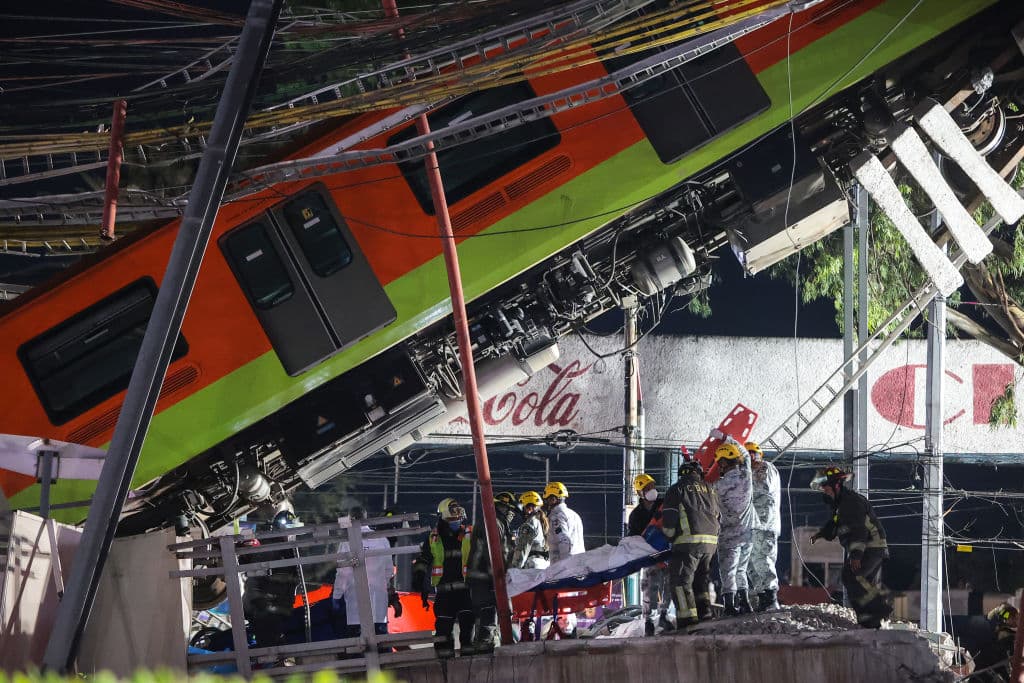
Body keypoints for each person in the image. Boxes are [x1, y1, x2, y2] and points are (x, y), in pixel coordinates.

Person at [810, 466, 891, 628]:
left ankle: (880, 610)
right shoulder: (840, 505)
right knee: (860, 581)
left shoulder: (851, 502)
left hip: (871, 546)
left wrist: (856, 556)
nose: (823, 490)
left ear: (836, 485)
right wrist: (820, 534)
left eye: (825, 487)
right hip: (870, 547)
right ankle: (870, 621)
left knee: (851, 576)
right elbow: (834, 525)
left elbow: (858, 530)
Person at [661, 448, 720, 627]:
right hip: (710, 544)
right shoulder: (710, 490)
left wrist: (669, 538)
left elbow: (670, 521)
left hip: (688, 543)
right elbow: (718, 515)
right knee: (700, 581)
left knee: (680, 581)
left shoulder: (676, 489)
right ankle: (705, 614)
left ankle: (687, 620)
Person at [412, 498, 475, 657]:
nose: (456, 521)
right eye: (452, 518)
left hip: (466, 592)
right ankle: (444, 670)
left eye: (458, 518)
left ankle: (471, 668)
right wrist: (419, 579)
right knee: (443, 634)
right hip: (445, 594)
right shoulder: (434, 538)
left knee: (468, 633)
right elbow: (423, 559)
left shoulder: (469, 534)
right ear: (443, 519)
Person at [242, 507, 303, 648]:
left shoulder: (291, 551)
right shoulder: (270, 549)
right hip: (263, 609)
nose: (290, 534)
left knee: (276, 646)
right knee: (269, 648)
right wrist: (259, 603)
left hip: (278, 608)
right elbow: (253, 579)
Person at [465, 491, 519, 653]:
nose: (511, 514)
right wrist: (500, 577)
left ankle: (482, 647)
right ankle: (485, 649)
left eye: (512, 510)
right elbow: (495, 554)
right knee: (489, 611)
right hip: (486, 578)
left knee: (485, 615)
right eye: (508, 509)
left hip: (481, 578)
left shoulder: (493, 522)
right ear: (499, 507)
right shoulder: (495, 523)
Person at [333, 506, 394, 642]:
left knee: (358, 648)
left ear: (350, 519)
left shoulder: (347, 542)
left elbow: (342, 573)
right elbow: (389, 571)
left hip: (355, 608)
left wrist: (337, 596)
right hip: (378, 607)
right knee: (381, 646)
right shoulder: (382, 540)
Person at [713, 432, 756, 616]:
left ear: (723, 462)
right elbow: (745, 454)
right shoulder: (747, 474)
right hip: (749, 533)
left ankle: (730, 606)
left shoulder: (717, 486)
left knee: (728, 571)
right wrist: (725, 437)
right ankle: (745, 603)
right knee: (741, 570)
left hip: (729, 536)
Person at [628, 472, 672, 635]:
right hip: (649, 557)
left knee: (669, 586)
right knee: (649, 590)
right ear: (640, 493)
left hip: (667, 552)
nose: (651, 490)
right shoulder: (636, 515)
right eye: (647, 488)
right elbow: (633, 538)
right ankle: (648, 621)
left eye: (652, 486)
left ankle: (664, 615)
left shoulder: (663, 505)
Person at [543, 481, 585, 636]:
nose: (546, 503)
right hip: (577, 567)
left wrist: (564, 567)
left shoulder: (556, 517)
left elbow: (564, 540)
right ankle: (570, 639)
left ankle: (566, 640)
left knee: (563, 609)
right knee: (569, 608)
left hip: (564, 569)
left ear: (554, 499)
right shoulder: (574, 515)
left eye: (548, 499)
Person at [746, 441, 781, 611]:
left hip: (765, 525)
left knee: (764, 559)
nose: (751, 458)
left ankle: (771, 597)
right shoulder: (749, 472)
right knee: (752, 564)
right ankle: (762, 597)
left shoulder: (765, 468)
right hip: (753, 525)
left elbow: (762, 487)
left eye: (752, 453)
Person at [511, 490, 550, 642]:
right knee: (536, 607)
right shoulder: (543, 522)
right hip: (543, 568)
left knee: (527, 608)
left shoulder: (529, 525)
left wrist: (514, 570)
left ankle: (527, 636)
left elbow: (522, 551)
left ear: (528, 507)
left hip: (531, 568)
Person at [972, 602, 1018, 682]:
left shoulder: (1008, 630)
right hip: (993, 660)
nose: (1016, 621)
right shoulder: (1004, 631)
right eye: (1014, 618)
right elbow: (1001, 616)